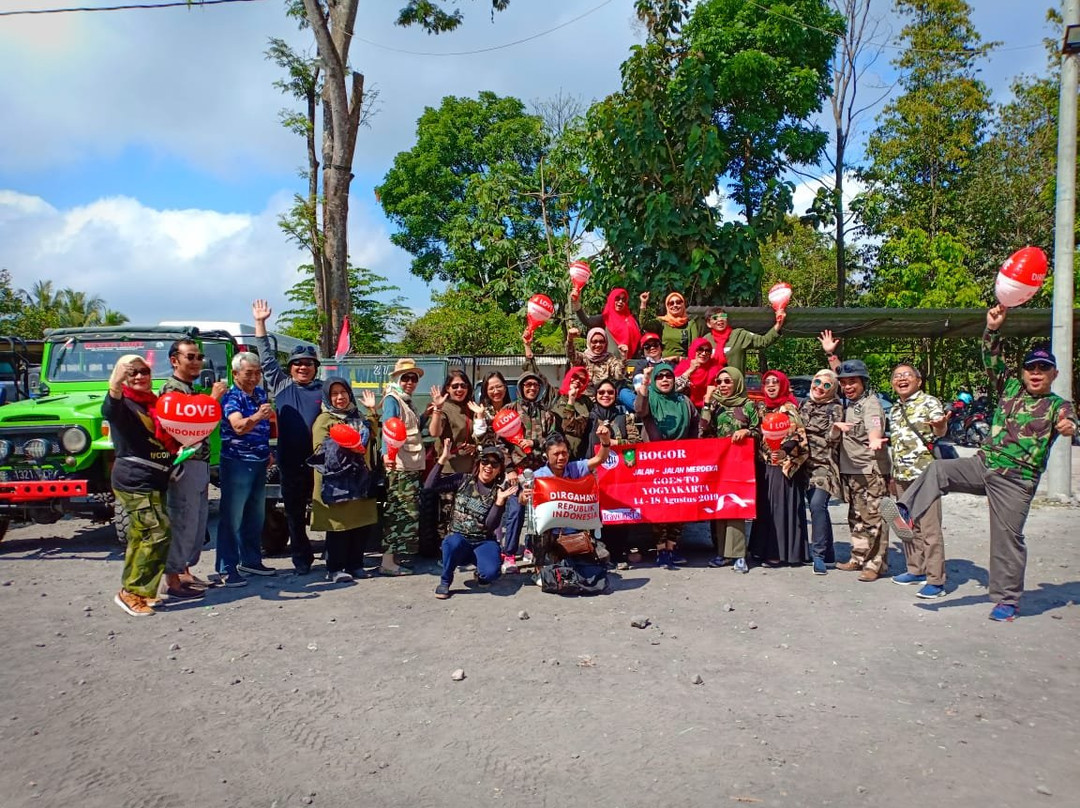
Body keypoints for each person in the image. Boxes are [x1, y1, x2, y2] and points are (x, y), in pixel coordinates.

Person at [883, 306, 1076, 621]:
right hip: (983, 463)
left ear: (1053, 374)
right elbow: (992, 360)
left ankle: (1008, 600)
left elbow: (1069, 421)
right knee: (938, 469)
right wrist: (992, 330)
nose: (1036, 372)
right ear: (1024, 372)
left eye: (1044, 368)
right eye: (1031, 367)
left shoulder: (1057, 405)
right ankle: (905, 510)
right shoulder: (1010, 389)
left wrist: (1069, 427)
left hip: (1016, 480)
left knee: (1006, 539)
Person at [252, 299, 324, 575]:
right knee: (294, 513)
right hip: (291, 462)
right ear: (291, 367)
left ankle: (337, 555)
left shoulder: (326, 390)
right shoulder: (282, 386)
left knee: (326, 508)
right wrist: (260, 323)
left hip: (321, 463)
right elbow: (267, 358)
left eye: (308, 363)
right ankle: (302, 559)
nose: (303, 368)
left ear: (315, 367)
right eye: (297, 364)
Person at [105, 354, 179, 617]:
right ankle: (131, 592)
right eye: (132, 373)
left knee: (140, 537)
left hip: (156, 477)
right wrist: (114, 382)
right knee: (157, 532)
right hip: (134, 479)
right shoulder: (123, 404)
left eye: (143, 371)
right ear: (123, 377)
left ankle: (141, 592)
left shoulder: (154, 405)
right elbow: (109, 410)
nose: (139, 377)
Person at [159, 338, 226, 600]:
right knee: (182, 519)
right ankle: (172, 580)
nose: (197, 361)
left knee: (195, 523)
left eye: (199, 357)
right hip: (183, 462)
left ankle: (184, 572)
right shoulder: (171, 390)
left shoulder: (189, 388)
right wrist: (213, 400)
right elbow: (189, 422)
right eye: (191, 357)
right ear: (175, 360)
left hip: (199, 462)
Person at [886, 362, 949, 598]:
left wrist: (941, 425)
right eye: (897, 376)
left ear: (918, 380)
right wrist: (892, 476)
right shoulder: (893, 409)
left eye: (907, 375)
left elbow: (940, 429)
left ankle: (936, 580)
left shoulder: (929, 402)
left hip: (926, 475)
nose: (901, 379)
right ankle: (916, 569)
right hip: (902, 475)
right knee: (906, 525)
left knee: (930, 528)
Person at [309, 379, 380, 584]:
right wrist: (349, 444)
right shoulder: (325, 420)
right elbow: (320, 449)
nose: (340, 397)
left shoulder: (357, 416)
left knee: (360, 524)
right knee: (339, 526)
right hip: (337, 481)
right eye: (334, 394)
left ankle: (355, 565)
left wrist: (372, 412)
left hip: (360, 478)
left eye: (343, 392)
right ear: (327, 398)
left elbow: (373, 435)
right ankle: (334, 568)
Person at [426, 443, 519, 599]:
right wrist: (442, 459)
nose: (488, 466)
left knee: (491, 573)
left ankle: (481, 571)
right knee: (451, 542)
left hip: (482, 541)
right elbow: (429, 486)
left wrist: (499, 502)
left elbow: (490, 526)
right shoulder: (462, 480)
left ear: (499, 470)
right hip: (459, 540)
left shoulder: (498, 492)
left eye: (494, 464)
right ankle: (445, 581)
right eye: (485, 461)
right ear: (479, 463)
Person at [215, 352, 275, 587]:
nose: (254, 378)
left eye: (257, 373)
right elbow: (238, 426)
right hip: (237, 461)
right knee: (232, 517)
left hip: (259, 461)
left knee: (254, 514)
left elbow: (263, 426)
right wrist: (259, 415)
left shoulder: (259, 393)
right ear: (235, 373)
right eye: (248, 373)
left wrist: (266, 451)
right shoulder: (232, 397)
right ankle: (226, 567)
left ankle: (251, 560)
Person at [830, 357, 891, 581]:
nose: (847, 387)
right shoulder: (852, 403)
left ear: (863, 382)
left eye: (852, 381)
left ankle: (875, 564)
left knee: (874, 518)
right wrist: (831, 355)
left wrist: (875, 439)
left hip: (870, 470)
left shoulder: (870, 404)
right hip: (853, 470)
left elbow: (875, 426)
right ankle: (858, 557)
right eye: (844, 382)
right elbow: (838, 373)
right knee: (856, 516)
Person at [635, 363, 697, 567]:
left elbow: (695, 429)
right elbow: (639, 409)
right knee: (659, 504)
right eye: (659, 376)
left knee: (680, 504)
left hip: (681, 460)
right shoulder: (650, 398)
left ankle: (672, 546)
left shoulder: (684, 401)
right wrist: (644, 382)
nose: (664, 380)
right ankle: (661, 549)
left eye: (668, 376)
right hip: (656, 461)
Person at [698, 367, 759, 572]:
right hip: (720, 464)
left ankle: (739, 555)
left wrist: (746, 431)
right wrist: (707, 402)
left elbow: (761, 432)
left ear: (737, 383)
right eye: (720, 382)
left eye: (727, 381)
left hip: (742, 464)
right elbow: (703, 428)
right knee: (720, 508)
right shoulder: (717, 406)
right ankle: (723, 553)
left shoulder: (748, 405)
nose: (723, 385)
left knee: (737, 508)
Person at [749, 370, 809, 567]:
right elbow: (756, 430)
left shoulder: (789, 408)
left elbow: (797, 435)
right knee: (765, 509)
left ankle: (780, 552)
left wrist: (784, 451)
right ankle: (761, 549)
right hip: (764, 465)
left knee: (779, 509)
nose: (772, 386)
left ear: (783, 385)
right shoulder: (761, 408)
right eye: (767, 383)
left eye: (776, 382)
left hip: (783, 466)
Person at [380, 358, 430, 576]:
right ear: (398, 378)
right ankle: (387, 561)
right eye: (406, 377)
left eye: (414, 378)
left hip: (409, 464)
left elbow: (412, 426)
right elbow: (389, 427)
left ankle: (394, 558)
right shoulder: (393, 399)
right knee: (397, 512)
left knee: (405, 513)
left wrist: (428, 413)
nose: (410, 381)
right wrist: (385, 455)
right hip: (399, 465)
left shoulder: (406, 401)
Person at [798, 369, 843, 575]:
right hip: (803, 465)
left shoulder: (835, 407)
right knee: (817, 509)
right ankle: (830, 553)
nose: (819, 388)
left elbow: (834, 436)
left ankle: (819, 555)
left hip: (824, 466)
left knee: (817, 506)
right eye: (817, 382)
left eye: (826, 385)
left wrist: (835, 431)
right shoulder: (803, 404)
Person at [702, 306, 785, 373]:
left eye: (723, 316)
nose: (720, 319)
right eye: (715, 317)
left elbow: (763, 341)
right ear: (709, 323)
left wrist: (779, 324)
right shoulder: (705, 340)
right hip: (712, 390)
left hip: (736, 391)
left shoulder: (739, 335)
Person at [572, 287, 642, 359]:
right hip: (610, 364)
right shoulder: (605, 318)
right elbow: (587, 321)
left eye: (623, 300)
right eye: (617, 298)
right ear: (611, 299)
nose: (620, 302)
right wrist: (576, 303)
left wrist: (643, 304)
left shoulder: (631, 320)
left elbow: (640, 331)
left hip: (630, 363)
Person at [640, 291, 701, 360]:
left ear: (683, 304)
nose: (675, 305)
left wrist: (678, 359)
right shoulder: (661, 323)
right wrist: (643, 303)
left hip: (683, 362)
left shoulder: (690, 324)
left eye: (678, 302)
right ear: (667, 306)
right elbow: (644, 324)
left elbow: (694, 348)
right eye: (671, 303)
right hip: (664, 364)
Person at [566, 327, 625, 398]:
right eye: (594, 341)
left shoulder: (610, 359)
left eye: (601, 341)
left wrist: (623, 357)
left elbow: (619, 375)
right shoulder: (583, 358)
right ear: (589, 342)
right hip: (583, 399)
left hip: (603, 398)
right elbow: (571, 356)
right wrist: (570, 340)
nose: (598, 345)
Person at [551, 366, 591, 458]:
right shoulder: (554, 395)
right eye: (575, 376)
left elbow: (573, 428)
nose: (577, 381)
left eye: (582, 380)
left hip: (580, 454)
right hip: (558, 454)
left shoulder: (586, 401)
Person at [620, 331, 665, 411]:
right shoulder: (641, 365)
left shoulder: (669, 364)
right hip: (645, 399)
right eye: (647, 346)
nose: (652, 348)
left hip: (665, 399)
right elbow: (638, 388)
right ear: (643, 351)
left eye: (655, 344)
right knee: (624, 393)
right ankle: (646, 409)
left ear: (661, 348)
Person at [673, 337, 720, 409]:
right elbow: (673, 388)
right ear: (693, 350)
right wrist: (690, 370)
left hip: (709, 407)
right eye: (700, 349)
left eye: (707, 350)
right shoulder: (683, 366)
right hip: (685, 408)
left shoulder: (716, 368)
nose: (704, 353)